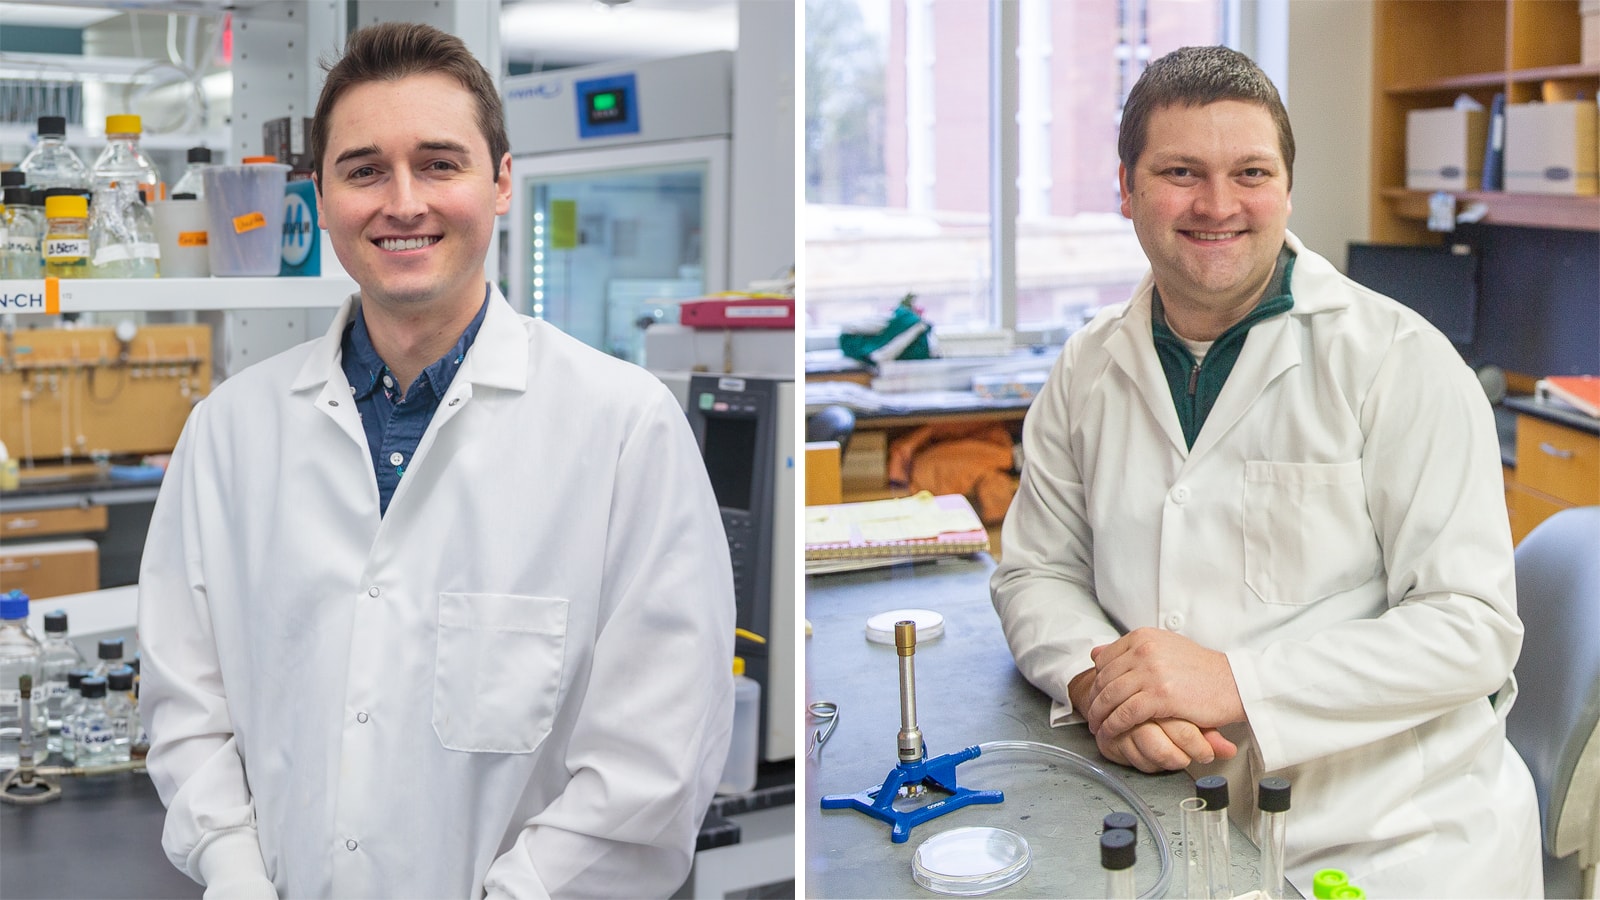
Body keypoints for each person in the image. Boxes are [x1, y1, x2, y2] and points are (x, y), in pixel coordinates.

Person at [138, 22, 735, 899]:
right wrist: (233, 873)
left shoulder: (623, 429)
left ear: (499, 184)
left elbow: (654, 763)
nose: (403, 201)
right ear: (320, 195)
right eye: (365, 169)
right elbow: (187, 708)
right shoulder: (229, 433)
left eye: (440, 163)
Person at [990, 46, 1542, 897]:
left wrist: (1234, 681)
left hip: (1391, 837)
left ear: (1286, 186)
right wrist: (1103, 684)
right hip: (1176, 810)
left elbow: (1472, 627)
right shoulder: (1088, 367)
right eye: (1180, 171)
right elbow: (1037, 569)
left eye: (1250, 171)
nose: (1218, 205)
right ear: (1127, 190)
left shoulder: (1400, 362)